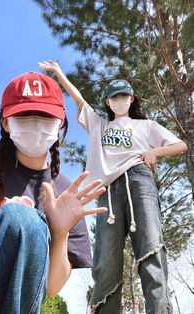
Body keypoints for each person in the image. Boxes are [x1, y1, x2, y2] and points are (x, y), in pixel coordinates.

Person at [38, 60, 188, 314]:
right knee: (106, 262)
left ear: (131, 99)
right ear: (108, 102)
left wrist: (155, 152)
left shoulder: (146, 126)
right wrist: (59, 73)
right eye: (114, 97)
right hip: (107, 189)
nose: (119, 100)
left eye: (124, 96)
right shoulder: (99, 124)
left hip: (138, 180)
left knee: (151, 248)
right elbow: (78, 99)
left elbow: (180, 145)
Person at [0, 71, 107, 314]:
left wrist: (59, 234)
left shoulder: (65, 194)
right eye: (24, 116)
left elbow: (49, 288)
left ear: (60, 123)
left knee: (23, 220)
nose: (36, 124)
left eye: (46, 117)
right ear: (6, 122)